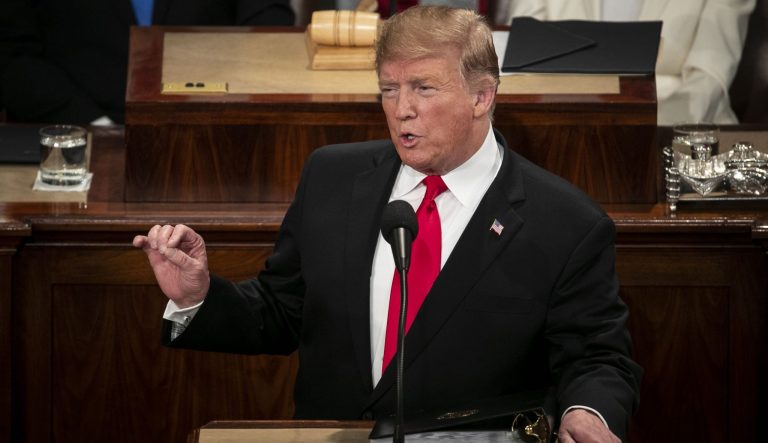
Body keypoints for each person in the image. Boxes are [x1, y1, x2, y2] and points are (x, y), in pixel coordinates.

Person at [134, 5, 642, 442]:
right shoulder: (333, 177)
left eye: (423, 88)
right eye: (389, 89)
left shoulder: (565, 222)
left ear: (482, 97)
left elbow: (597, 357)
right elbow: (282, 310)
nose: (402, 111)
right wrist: (198, 295)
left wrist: (586, 411)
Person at [0, 0, 294, 125]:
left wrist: (222, 117)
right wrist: (94, 127)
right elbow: (13, 54)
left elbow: (270, 31)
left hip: (212, 130)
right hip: (76, 132)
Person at [504, 0, 756, 125]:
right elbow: (522, 63)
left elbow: (707, 85)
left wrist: (632, 127)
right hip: (562, 129)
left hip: (677, 134)